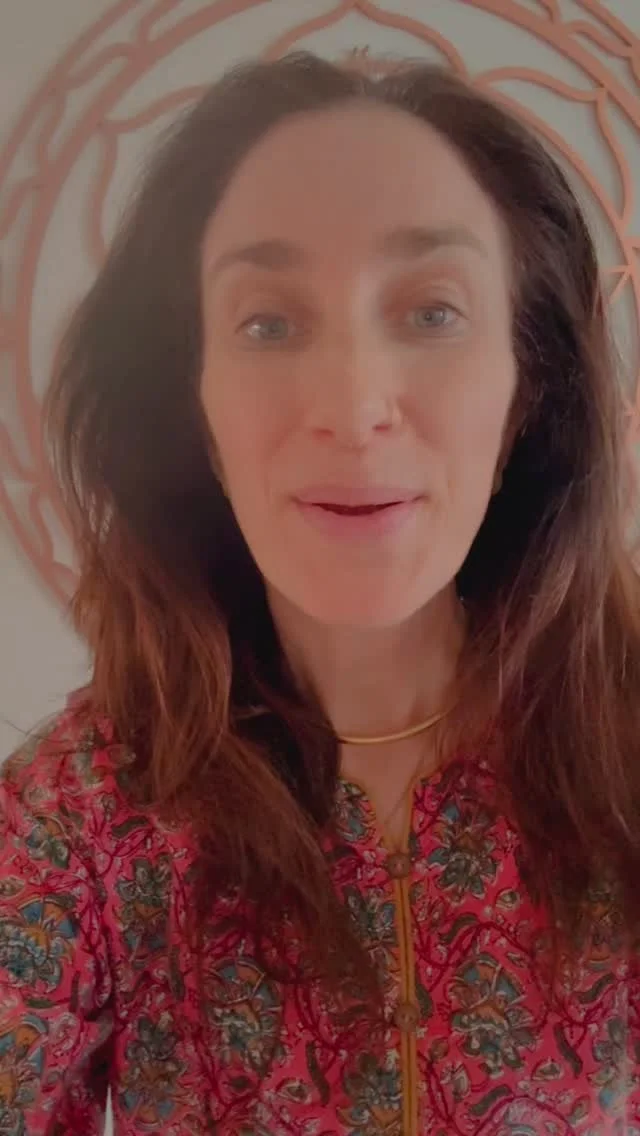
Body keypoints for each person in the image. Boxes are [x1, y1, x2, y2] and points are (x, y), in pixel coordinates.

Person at [0, 50, 639, 1136]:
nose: (351, 404)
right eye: (269, 323)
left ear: (526, 389)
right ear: (195, 406)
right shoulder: (81, 817)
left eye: (431, 312)